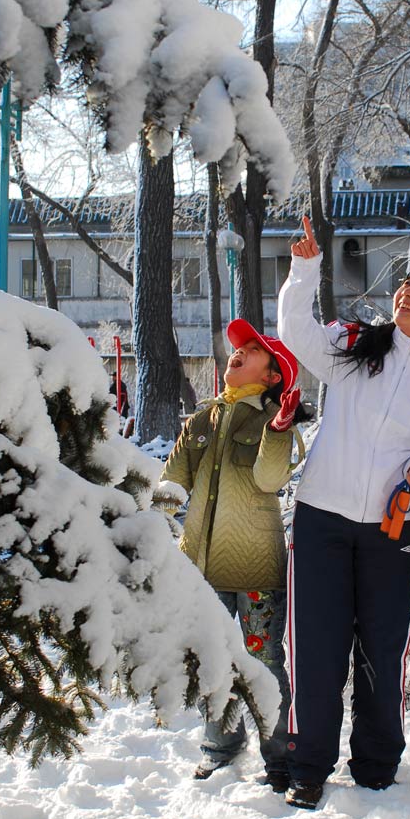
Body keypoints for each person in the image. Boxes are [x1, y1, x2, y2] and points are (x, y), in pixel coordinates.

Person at [277, 216, 410, 810]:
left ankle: (377, 765)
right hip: (321, 520)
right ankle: (308, 764)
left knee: (384, 648)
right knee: (315, 646)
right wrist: (304, 269)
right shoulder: (356, 346)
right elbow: (294, 331)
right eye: (407, 283)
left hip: (390, 531)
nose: (407, 292)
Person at [154, 319, 307, 794]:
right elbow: (172, 482)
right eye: (236, 349)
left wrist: (280, 428)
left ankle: (279, 753)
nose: (236, 353)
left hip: (255, 565)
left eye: (251, 351)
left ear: (273, 376)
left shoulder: (272, 423)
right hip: (198, 566)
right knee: (210, 658)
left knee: (263, 659)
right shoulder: (201, 419)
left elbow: (268, 479)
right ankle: (220, 745)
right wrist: (151, 523)